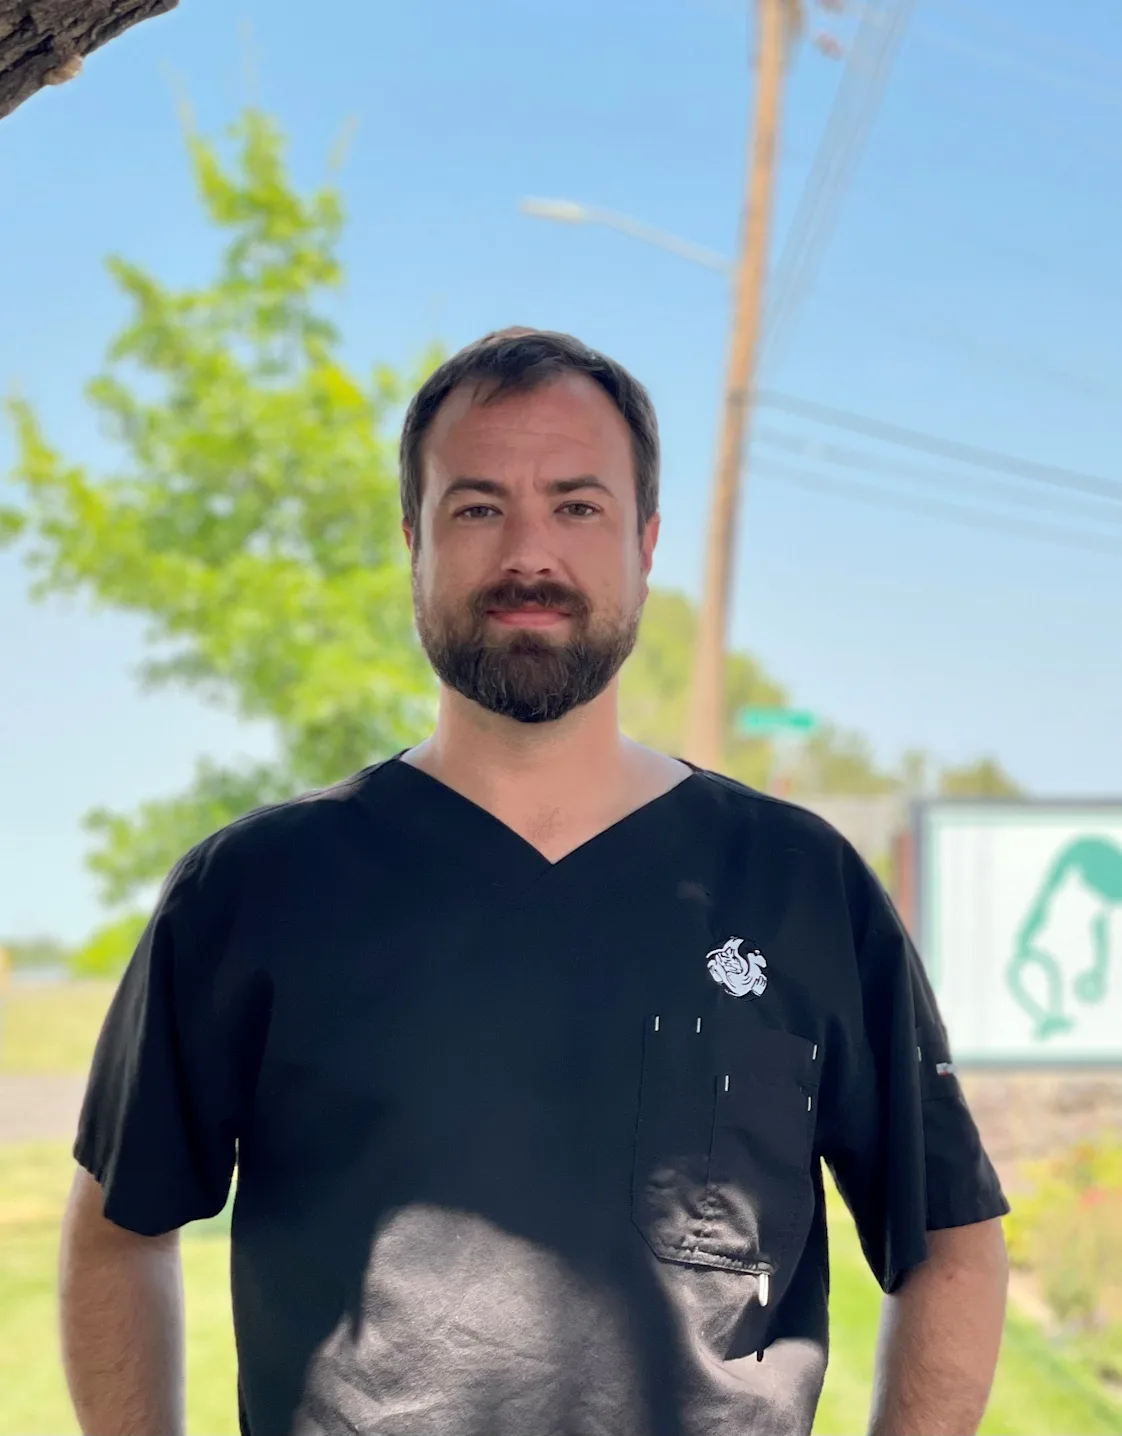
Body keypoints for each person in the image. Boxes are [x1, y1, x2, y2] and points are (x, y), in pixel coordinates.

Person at [60, 327, 1010, 1436]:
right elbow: (117, 1234)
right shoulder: (252, 890)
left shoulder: (803, 886)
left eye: (577, 506)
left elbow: (950, 1242)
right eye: (477, 508)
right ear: (413, 542)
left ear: (645, 544)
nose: (528, 554)